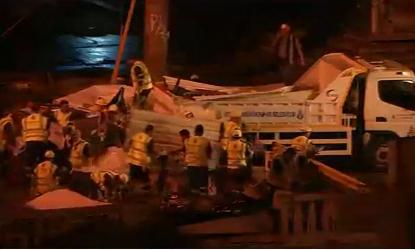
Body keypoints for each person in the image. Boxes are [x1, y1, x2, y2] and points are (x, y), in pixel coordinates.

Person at [184, 124, 212, 195]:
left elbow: (185, 151)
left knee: (193, 188)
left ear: (194, 131)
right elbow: (209, 154)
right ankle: (202, 202)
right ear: (202, 132)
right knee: (202, 188)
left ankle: (193, 201)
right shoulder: (206, 141)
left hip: (191, 165)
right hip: (202, 166)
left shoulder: (187, 140)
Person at [21, 103, 49, 169]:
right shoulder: (44, 119)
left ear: (30, 110)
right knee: (41, 162)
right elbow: (47, 132)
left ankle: (29, 174)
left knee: (29, 163)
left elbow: (24, 132)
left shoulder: (24, 120)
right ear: (39, 109)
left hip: (29, 143)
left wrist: (25, 143)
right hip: (41, 142)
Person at [127, 124, 154, 190]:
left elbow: (130, 143)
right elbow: (150, 152)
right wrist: (148, 163)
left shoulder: (136, 135)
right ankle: (146, 188)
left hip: (132, 159)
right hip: (141, 162)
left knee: (132, 176)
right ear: (150, 131)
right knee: (145, 176)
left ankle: (129, 189)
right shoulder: (149, 139)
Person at [225, 128, 251, 193]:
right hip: (241, 168)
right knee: (241, 185)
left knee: (231, 184)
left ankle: (232, 196)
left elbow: (224, 154)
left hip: (230, 168)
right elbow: (250, 155)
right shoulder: (244, 145)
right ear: (240, 136)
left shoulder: (228, 144)